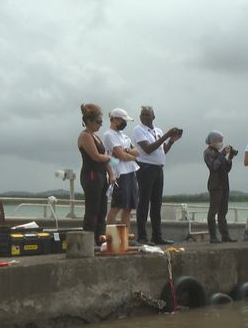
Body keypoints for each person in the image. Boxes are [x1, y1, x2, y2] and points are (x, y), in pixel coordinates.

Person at [133, 106, 182, 245]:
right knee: (144, 203)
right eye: (142, 114)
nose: (144, 116)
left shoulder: (158, 130)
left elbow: (162, 150)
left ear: (153, 117)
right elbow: (148, 149)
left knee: (156, 204)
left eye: (147, 114)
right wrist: (166, 135)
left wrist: (171, 140)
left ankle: (157, 236)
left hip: (158, 168)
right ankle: (142, 236)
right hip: (146, 168)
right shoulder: (139, 129)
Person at [77, 103, 114, 243]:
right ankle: (88, 241)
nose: (100, 125)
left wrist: (111, 174)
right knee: (92, 209)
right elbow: (96, 157)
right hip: (91, 174)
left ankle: (100, 239)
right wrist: (111, 157)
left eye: (101, 122)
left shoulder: (96, 136)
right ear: (89, 121)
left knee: (102, 210)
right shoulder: (86, 136)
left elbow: (103, 159)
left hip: (101, 175)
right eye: (98, 122)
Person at [103, 108, 139, 238]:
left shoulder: (123, 135)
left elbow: (136, 152)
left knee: (128, 207)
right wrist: (128, 154)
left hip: (130, 171)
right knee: (117, 206)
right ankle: (111, 237)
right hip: (119, 173)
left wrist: (127, 151)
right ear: (116, 119)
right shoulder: (109, 135)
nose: (125, 123)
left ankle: (125, 237)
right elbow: (119, 155)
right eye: (123, 121)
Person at [203, 131, 236, 243]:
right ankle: (213, 236)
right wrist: (222, 154)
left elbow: (226, 169)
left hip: (224, 184)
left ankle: (225, 235)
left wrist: (230, 157)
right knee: (213, 211)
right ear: (213, 141)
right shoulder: (207, 152)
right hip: (215, 185)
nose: (221, 143)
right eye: (219, 141)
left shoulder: (218, 153)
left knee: (223, 212)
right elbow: (214, 166)